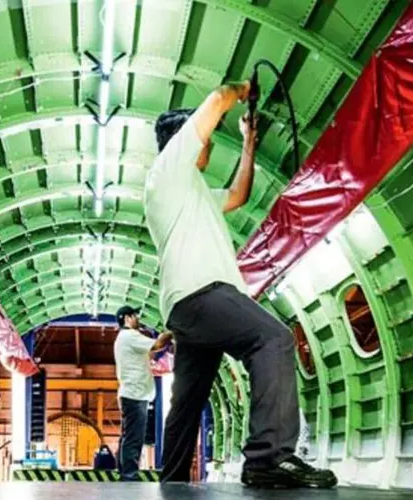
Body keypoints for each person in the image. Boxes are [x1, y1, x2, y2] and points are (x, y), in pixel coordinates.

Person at [144, 81, 337, 488]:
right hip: (204, 294)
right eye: (207, 135)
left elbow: (238, 194)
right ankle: (269, 458)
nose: (210, 142)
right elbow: (217, 99)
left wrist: (250, 141)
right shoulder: (169, 170)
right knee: (274, 339)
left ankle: (172, 482)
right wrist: (243, 89)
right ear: (187, 139)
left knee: (188, 401)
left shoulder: (189, 190)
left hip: (190, 307)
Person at [113, 305, 173, 481]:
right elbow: (157, 344)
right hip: (135, 394)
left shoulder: (123, 339)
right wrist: (172, 329)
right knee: (134, 438)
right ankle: (129, 476)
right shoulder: (129, 336)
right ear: (127, 319)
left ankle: (124, 472)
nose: (138, 319)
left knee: (128, 435)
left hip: (131, 393)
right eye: (134, 316)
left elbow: (150, 354)